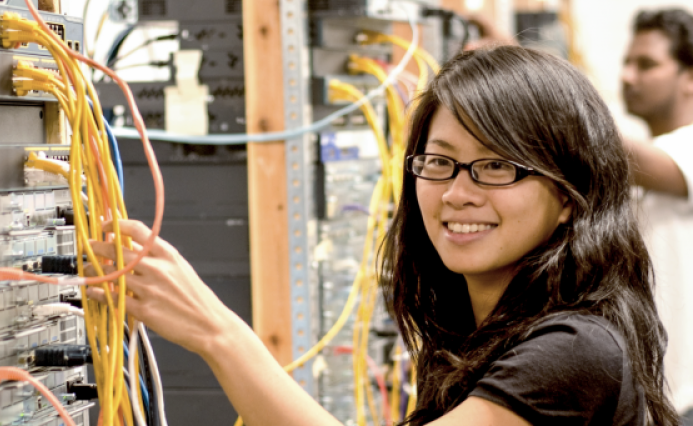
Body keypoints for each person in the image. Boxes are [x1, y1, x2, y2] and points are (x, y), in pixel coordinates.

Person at [87, 46, 678, 425]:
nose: (458, 192)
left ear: (569, 200)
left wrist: (216, 332)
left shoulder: (576, 349)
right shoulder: (479, 332)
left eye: (497, 166)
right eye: (439, 161)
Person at [621, 8, 693, 420]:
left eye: (646, 64)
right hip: (651, 404)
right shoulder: (646, 157)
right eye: (627, 64)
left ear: (689, 77)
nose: (628, 76)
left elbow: (613, 149)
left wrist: (530, 78)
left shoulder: (681, 151)